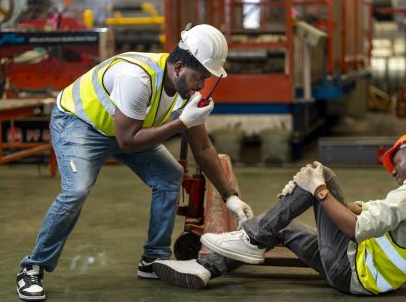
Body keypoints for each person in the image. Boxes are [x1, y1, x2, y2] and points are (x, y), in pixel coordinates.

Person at [15, 23, 254, 302]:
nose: (202, 85)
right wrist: (181, 122)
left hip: (125, 129)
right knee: (76, 191)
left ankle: (153, 259)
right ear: (178, 67)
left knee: (169, 176)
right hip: (80, 124)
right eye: (199, 77)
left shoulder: (184, 89)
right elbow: (128, 142)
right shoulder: (137, 77)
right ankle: (32, 267)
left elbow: (202, 146)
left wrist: (230, 197)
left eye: (207, 78)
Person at [152, 132, 406, 296]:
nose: (393, 170)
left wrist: (318, 190)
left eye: (396, 161)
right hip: (360, 273)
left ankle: (250, 237)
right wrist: (311, 187)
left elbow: (355, 229)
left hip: (353, 272)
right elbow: (368, 210)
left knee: (323, 175)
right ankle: (208, 268)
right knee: (284, 225)